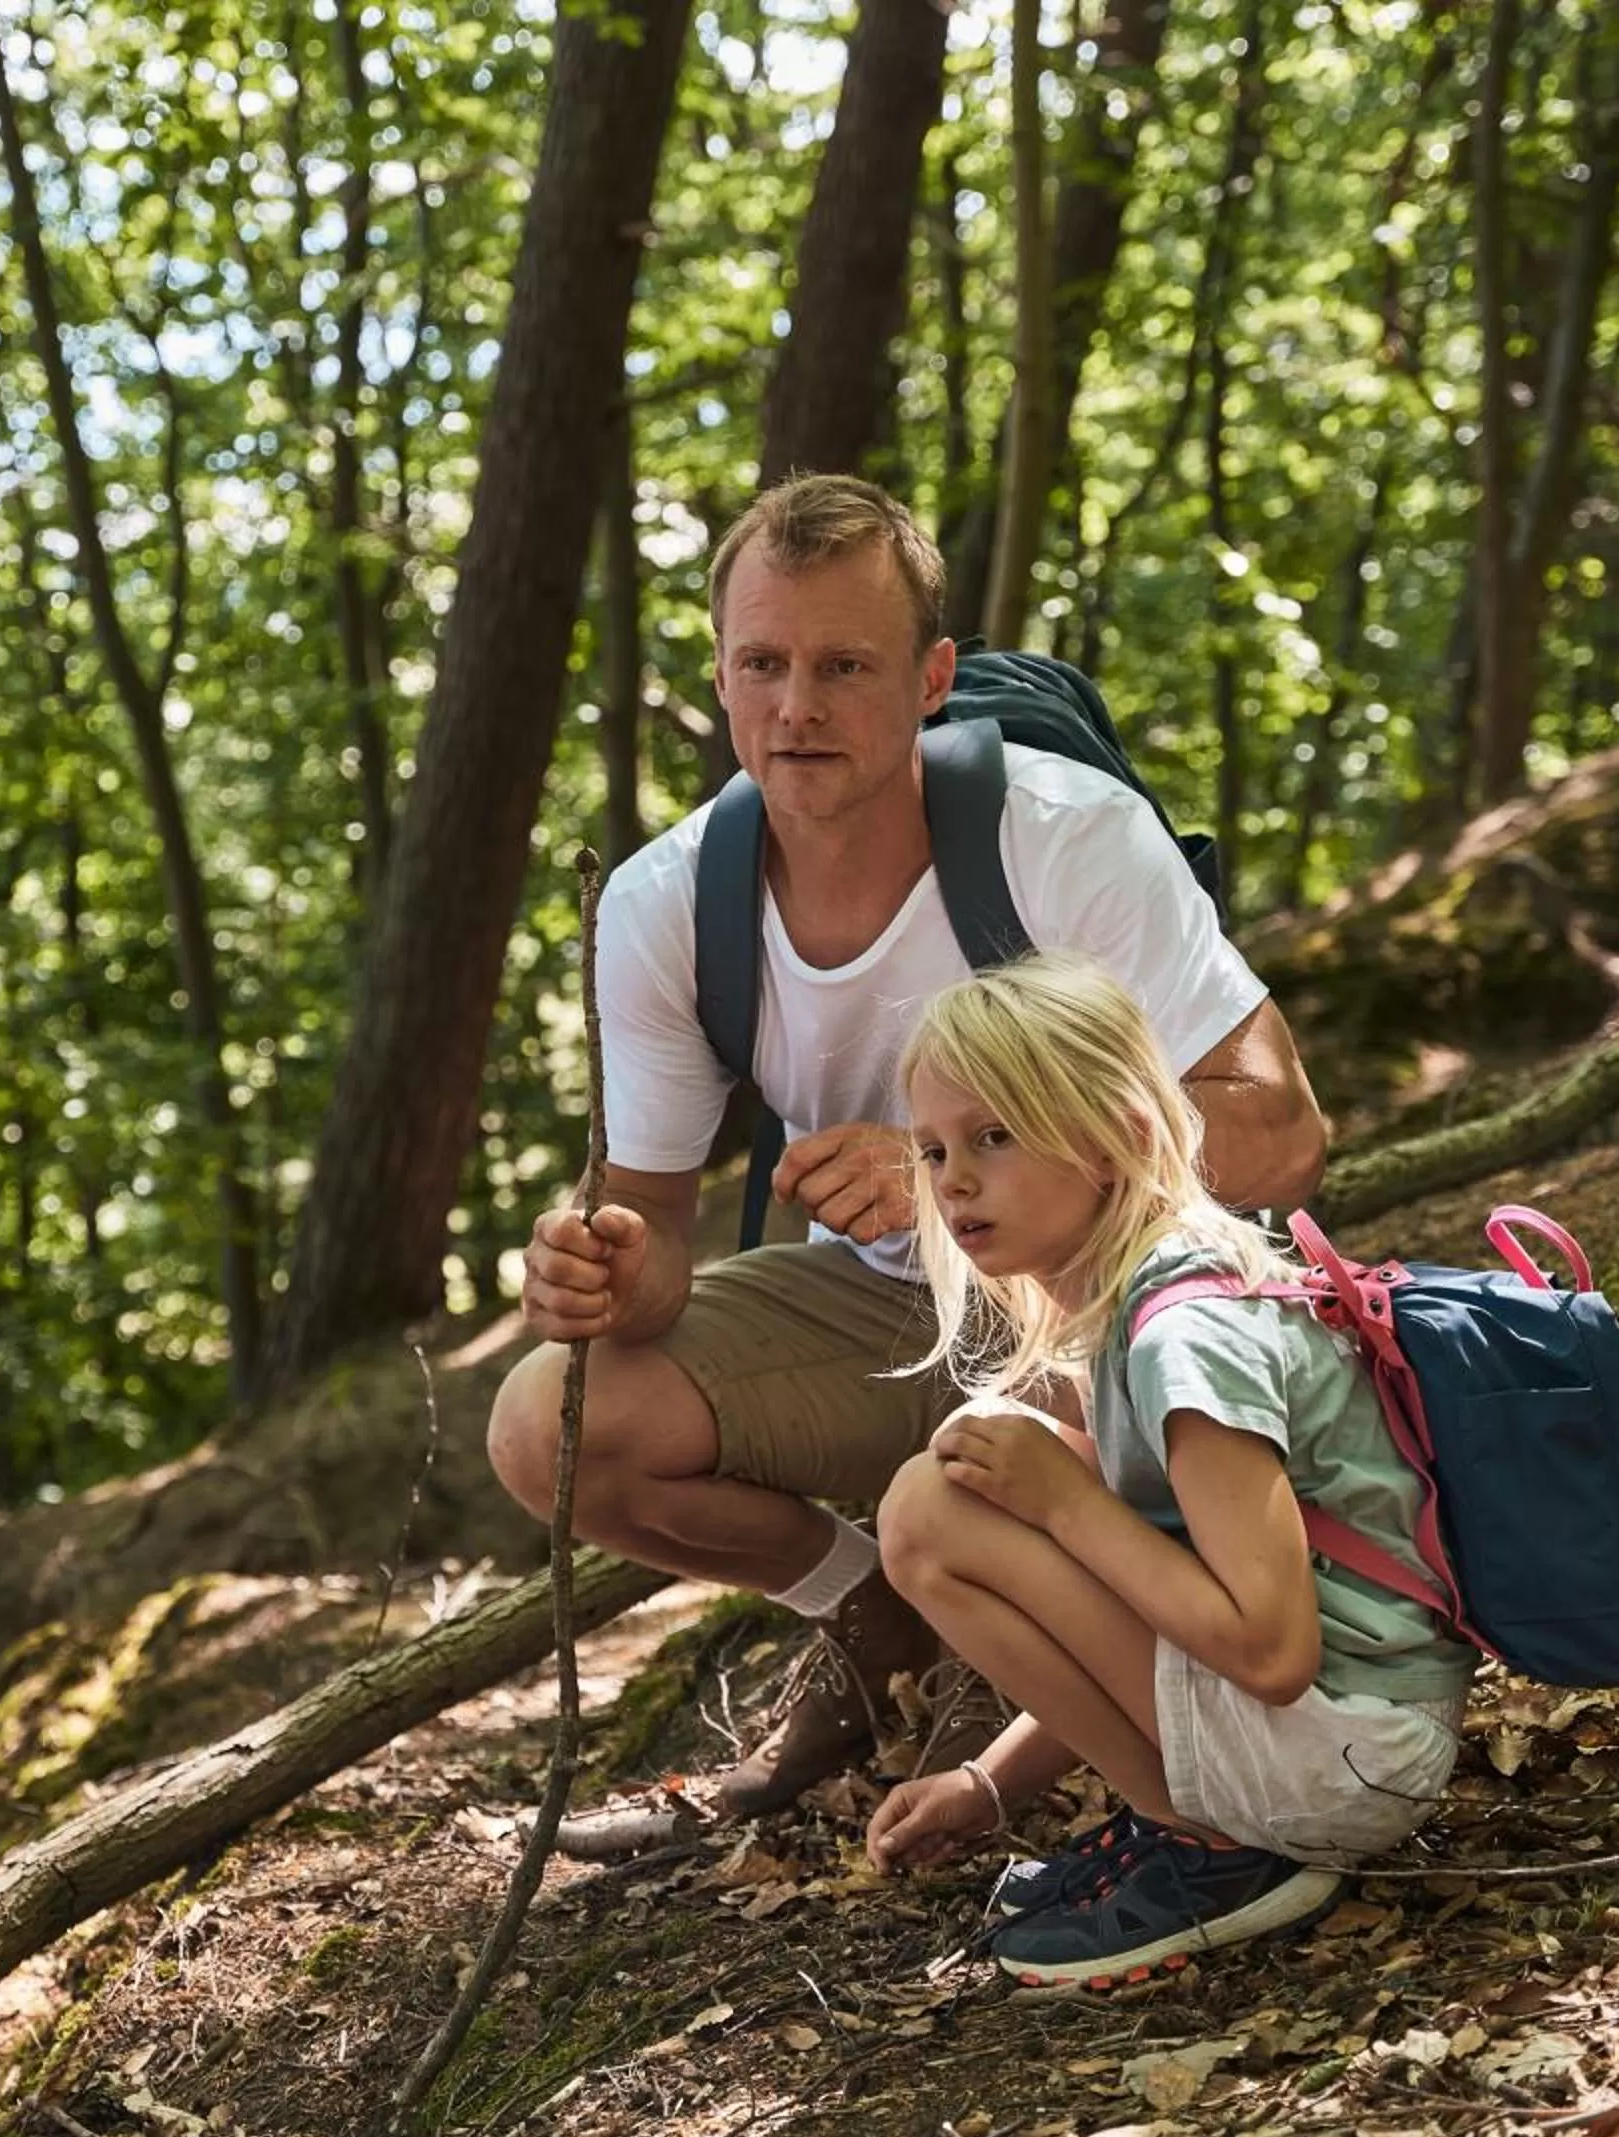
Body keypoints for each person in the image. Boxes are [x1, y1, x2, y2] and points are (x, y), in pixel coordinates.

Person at [487, 475, 1327, 1818]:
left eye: (843, 666)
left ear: (932, 678)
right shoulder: (661, 904)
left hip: (1108, 1316)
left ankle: (1060, 1691)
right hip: (883, 1312)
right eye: (761, 664)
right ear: (718, 676)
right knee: (555, 1420)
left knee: (1024, 1459)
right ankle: (876, 1617)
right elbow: (653, 1255)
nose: (796, 709)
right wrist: (595, 1267)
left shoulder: (1061, 836)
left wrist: (956, 1161)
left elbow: (1282, 1134)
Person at [859, 952, 1475, 1989]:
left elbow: (1270, 1650)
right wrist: (989, 1785)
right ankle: (1191, 1829)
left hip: (1347, 1754)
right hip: (1337, 1738)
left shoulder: (1186, 1333)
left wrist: (1064, 1501)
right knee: (990, 1466)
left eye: (994, 1136)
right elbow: (1130, 1622)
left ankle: (1214, 1849)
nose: (953, 1178)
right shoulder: (1140, 1306)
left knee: (934, 1507)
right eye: (931, 1150)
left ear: (1117, 1140)